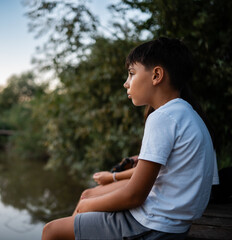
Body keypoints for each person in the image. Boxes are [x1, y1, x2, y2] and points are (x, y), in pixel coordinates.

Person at [41, 37, 219, 240]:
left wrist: (86, 206)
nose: (126, 83)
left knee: (52, 230)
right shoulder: (189, 114)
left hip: (153, 225)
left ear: (157, 75)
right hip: (173, 223)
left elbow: (134, 196)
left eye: (132, 74)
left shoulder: (162, 117)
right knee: (86, 201)